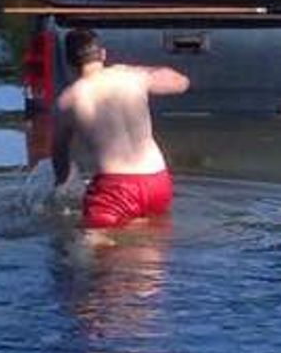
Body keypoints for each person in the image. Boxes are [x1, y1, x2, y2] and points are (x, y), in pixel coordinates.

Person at [52, 28, 190, 230]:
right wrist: (142, 70)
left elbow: (59, 153)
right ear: (103, 54)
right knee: (148, 248)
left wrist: (60, 186)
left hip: (115, 191)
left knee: (84, 254)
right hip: (158, 182)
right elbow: (181, 82)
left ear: (69, 62)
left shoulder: (68, 101)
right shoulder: (132, 76)